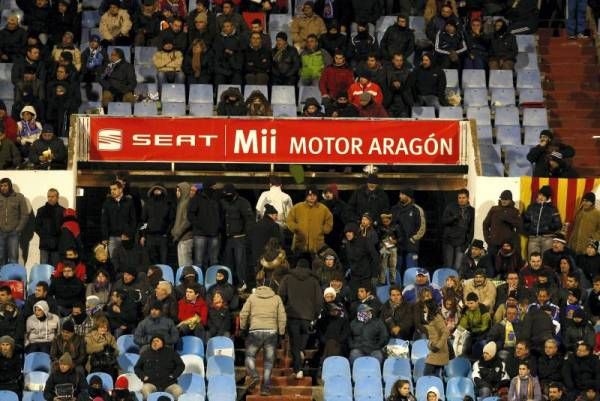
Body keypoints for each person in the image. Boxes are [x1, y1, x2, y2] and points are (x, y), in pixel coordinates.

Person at [240, 279, 286, 396]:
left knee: (250, 356)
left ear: (258, 287)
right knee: (269, 362)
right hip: (271, 332)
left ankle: (254, 375)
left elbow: (243, 314)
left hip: (255, 330)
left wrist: (243, 327)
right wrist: (281, 332)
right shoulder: (276, 298)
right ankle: (265, 388)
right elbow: (282, 317)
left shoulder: (252, 297)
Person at [279, 258, 322, 379]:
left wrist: (283, 310)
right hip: (307, 317)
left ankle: (298, 369)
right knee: (301, 344)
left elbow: (281, 295)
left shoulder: (287, 278)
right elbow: (319, 301)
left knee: (295, 344)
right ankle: (299, 359)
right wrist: (315, 314)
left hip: (292, 315)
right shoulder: (314, 281)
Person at [219, 183, 254, 288]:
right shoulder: (222, 202)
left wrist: (246, 236)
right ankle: (228, 284)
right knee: (227, 262)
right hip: (227, 238)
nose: (227, 197)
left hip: (240, 237)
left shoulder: (243, 203)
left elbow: (249, 220)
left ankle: (242, 283)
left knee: (240, 263)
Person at [135, 334, 184, 400]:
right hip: (151, 383)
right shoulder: (145, 354)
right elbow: (137, 367)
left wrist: (173, 375)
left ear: (162, 342)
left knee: (178, 390)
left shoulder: (171, 352)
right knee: (145, 390)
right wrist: (143, 376)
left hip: (168, 383)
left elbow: (180, 365)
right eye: (153, 341)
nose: (154, 342)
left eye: (157, 341)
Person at [287, 185, 333, 256]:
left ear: (317, 196)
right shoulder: (297, 207)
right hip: (300, 245)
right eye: (310, 195)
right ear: (306, 196)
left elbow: (329, 219)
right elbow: (289, 219)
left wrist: (324, 229)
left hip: (317, 246)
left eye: (314, 195)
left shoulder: (323, 209)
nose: (312, 197)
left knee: (317, 265)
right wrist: (295, 228)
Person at [482, 190, 522, 270]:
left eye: (506, 199)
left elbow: (519, 226)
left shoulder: (514, 211)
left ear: (510, 200)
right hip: (493, 243)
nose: (503, 201)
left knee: (507, 267)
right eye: (502, 199)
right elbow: (485, 224)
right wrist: (487, 238)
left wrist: (512, 241)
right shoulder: (494, 209)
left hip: (506, 245)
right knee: (492, 267)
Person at [392, 189, 426, 274]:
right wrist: (393, 238)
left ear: (408, 196)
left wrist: (413, 238)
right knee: (395, 271)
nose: (400, 196)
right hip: (397, 246)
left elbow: (422, 227)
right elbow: (390, 225)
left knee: (411, 270)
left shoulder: (417, 209)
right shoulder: (395, 209)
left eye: (402, 194)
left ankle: (410, 287)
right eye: (400, 194)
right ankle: (395, 287)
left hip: (411, 246)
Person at [523, 186, 562, 257]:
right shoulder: (531, 207)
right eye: (540, 194)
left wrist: (547, 228)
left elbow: (558, 224)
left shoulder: (553, 208)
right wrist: (530, 229)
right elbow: (525, 221)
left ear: (548, 197)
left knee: (546, 261)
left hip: (547, 239)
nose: (541, 197)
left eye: (544, 195)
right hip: (533, 238)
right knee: (532, 260)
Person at [101, 181, 137, 257]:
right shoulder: (107, 203)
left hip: (126, 237)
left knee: (126, 260)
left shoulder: (129, 202)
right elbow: (104, 221)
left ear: (121, 189)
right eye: (111, 189)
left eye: (114, 189)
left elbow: (133, 220)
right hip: (112, 237)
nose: (112, 191)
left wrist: (129, 234)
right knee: (113, 260)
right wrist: (105, 237)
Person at [442, 188, 475, 269]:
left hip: (461, 243)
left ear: (468, 198)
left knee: (458, 266)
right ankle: (448, 281)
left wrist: (467, 244)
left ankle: (456, 281)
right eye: (459, 198)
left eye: (463, 198)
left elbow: (471, 229)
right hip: (449, 241)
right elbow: (443, 221)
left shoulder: (471, 210)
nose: (461, 200)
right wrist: (454, 217)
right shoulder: (451, 207)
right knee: (448, 266)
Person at [316, 287, 349, 360]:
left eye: (331, 296)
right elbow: (318, 328)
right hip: (325, 340)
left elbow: (346, 328)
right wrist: (323, 339)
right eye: (327, 296)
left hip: (339, 341)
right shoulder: (321, 309)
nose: (329, 298)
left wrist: (340, 340)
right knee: (330, 344)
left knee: (333, 345)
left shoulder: (341, 308)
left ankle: (326, 363)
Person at [0, 178, 28, 264]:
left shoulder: (19, 197)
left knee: (13, 258)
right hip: (1, 232)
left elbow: (25, 215)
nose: (3, 188)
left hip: (13, 233)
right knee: (1, 258)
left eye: (5, 185)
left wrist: (18, 229)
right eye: (1, 186)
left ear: (10, 186)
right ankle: (2, 277)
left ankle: (12, 277)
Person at [422, 299, 449, 376]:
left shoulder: (437, 318)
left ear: (430, 307)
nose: (424, 309)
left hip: (438, 351)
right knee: (435, 376)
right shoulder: (432, 317)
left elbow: (446, 332)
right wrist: (430, 345)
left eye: (425, 307)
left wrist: (438, 346)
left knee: (426, 375)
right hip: (435, 350)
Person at [213, 20, 243, 86]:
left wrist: (231, 54)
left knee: (237, 77)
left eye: (228, 26)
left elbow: (239, 56)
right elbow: (217, 57)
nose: (225, 28)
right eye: (224, 27)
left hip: (234, 68)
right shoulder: (218, 39)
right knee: (219, 77)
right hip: (222, 68)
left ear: (232, 27)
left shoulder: (238, 39)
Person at [382, 53, 412, 118]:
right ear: (393, 60)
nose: (399, 62)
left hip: (403, 104)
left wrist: (400, 86)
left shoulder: (407, 72)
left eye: (401, 60)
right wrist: (393, 85)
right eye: (397, 60)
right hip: (390, 103)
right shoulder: (386, 71)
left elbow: (409, 88)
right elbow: (384, 86)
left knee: (404, 126)